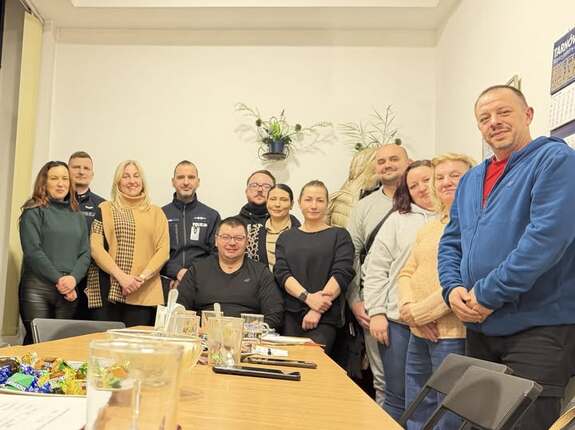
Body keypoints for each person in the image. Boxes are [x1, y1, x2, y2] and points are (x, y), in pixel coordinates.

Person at [438, 85, 575, 430]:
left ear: (528, 115)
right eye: (484, 118)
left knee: (524, 424)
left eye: (503, 112)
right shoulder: (471, 179)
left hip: (538, 328)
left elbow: (545, 240)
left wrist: (487, 295)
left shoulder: (556, 161)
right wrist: (452, 288)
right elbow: (451, 241)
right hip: (480, 328)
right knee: (477, 423)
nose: (494, 122)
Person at [397, 153, 475, 429]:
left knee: (449, 413)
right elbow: (406, 272)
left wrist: (418, 314)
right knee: (417, 408)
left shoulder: (477, 224)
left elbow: (464, 279)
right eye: (439, 177)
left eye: (455, 175)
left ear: (473, 179)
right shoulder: (429, 228)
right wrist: (410, 312)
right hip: (419, 332)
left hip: (452, 334)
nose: (446, 182)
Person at [362, 160, 436, 420]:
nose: (421, 188)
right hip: (397, 322)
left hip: (443, 323)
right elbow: (375, 269)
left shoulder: (456, 217)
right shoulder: (397, 220)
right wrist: (377, 312)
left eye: (427, 180)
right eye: (413, 185)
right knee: (397, 394)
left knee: (437, 398)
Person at [346, 143, 411, 407]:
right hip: (375, 306)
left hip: (417, 306)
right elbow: (350, 256)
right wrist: (355, 301)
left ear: (408, 163)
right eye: (381, 161)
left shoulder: (422, 199)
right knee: (383, 381)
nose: (387, 165)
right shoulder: (363, 207)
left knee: (422, 380)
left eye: (394, 159)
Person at [275, 180, 355, 354]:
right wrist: (307, 298)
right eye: (308, 199)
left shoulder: (339, 235)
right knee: (288, 365)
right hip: (290, 316)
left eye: (319, 200)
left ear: (327, 204)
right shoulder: (286, 238)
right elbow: (282, 273)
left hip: (325, 317)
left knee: (313, 362)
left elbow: (342, 273)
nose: (313, 205)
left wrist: (317, 308)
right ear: (299, 203)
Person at [87, 160, 169, 326]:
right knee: (105, 341)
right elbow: (96, 248)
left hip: (144, 291)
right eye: (126, 176)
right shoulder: (104, 209)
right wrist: (122, 277)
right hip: (108, 289)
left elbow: (163, 250)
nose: (132, 181)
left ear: (142, 181)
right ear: (117, 182)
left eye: (136, 176)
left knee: (136, 342)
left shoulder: (156, 213)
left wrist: (140, 279)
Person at [19, 161, 90, 344]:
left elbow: (85, 253)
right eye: (54, 178)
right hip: (38, 289)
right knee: (38, 343)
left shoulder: (78, 216)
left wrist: (73, 279)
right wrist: (60, 280)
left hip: (68, 290)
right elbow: (33, 251)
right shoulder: (33, 211)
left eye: (65, 179)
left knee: (60, 346)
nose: (60, 183)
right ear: (44, 182)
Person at [177, 217, 284, 330]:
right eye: (225, 237)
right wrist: (194, 328)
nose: (232, 243)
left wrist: (248, 330)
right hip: (204, 334)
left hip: (247, 335)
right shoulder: (198, 270)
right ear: (216, 240)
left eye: (238, 238)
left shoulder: (261, 273)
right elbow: (179, 309)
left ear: (247, 242)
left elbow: (275, 315)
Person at [162, 160, 220, 297]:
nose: (186, 182)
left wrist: (191, 274)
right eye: (180, 177)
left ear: (198, 182)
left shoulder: (211, 216)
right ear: (173, 182)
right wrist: (177, 272)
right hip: (167, 284)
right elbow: (154, 253)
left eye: (191, 177)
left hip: (201, 284)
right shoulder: (160, 215)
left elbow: (217, 254)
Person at [68, 151, 105, 320]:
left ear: (92, 174)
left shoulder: (102, 206)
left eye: (86, 168)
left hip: (89, 280)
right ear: (68, 170)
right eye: (76, 167)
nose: (81, 172)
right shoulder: (56, 201)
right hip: (59, 276)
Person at [246, 184, 300, 271]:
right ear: (267, 202)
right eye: (273, 199)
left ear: (291, 204)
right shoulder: (253, 232)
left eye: (283, 200)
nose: (277, 204)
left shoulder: (302, 232)